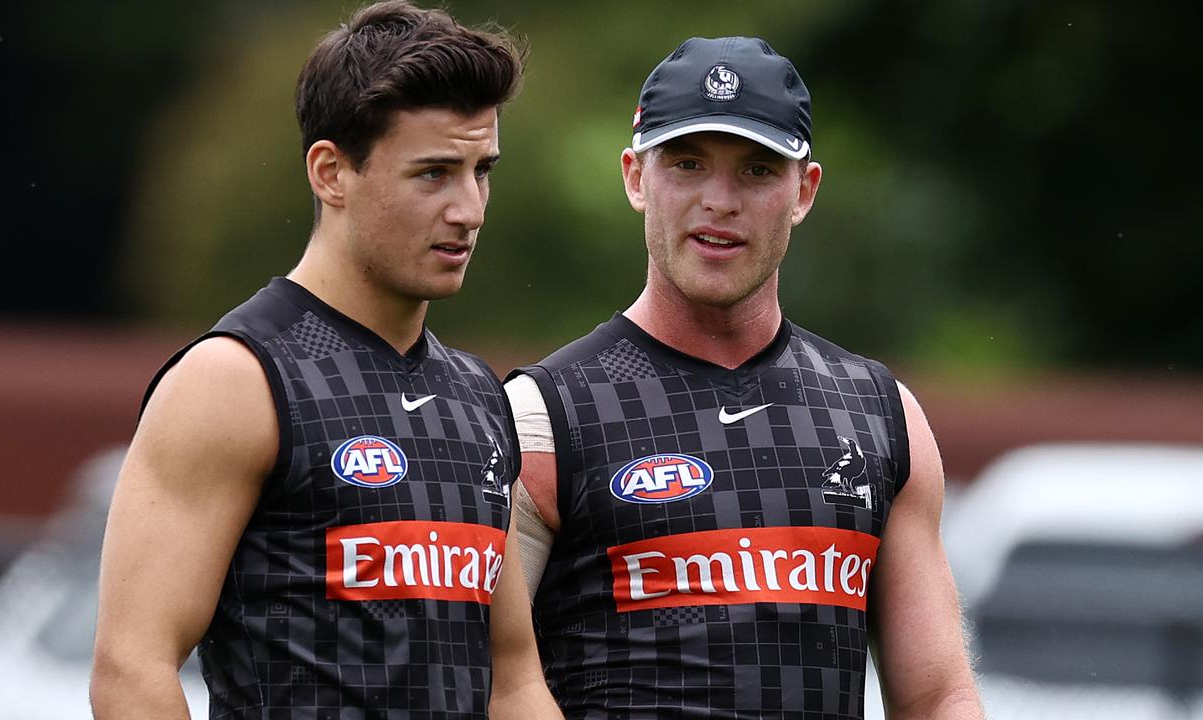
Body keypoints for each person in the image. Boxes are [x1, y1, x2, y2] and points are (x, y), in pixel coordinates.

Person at [90, 3, 560, 718]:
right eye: (434, 174)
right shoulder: (234, 380)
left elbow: (514, 681)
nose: (469, 209)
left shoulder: (477, 397)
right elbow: (132, 670)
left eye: (480, 170)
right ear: (331, 173)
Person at [505, 36, 984, 719]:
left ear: (804, 191)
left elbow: (939, 699)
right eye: (687, 163)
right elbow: (484, 683)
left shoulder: (883, 415)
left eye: (758, 171)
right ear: (636, 178)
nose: (719, 200)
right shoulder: (541, 418)